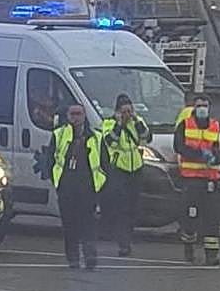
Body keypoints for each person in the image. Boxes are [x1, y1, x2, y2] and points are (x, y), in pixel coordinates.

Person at [45, 104, 106, 269]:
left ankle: (90, 256)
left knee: (89, 224)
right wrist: (57, 182)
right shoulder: (59, 135)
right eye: (72, 114)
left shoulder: (96, 137)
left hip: (88, 188)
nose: (76, 117)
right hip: (67, 187)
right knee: (69, 225)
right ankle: (73, 258)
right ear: (67, 116)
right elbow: (50, 160)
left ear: (84, 116)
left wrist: (101, 186)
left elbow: (105, 164)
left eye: (79, 114)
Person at [174, 94, 220, 266]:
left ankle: (211, 255)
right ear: (193, 108)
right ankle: (189, 248)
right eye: (199, 105)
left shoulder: (216, 126)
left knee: (212, 218)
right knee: (189, 217)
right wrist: (199, 155)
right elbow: (179, 146)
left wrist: (215, 157)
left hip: (211, 180)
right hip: (191, 180)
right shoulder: (185, 125)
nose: (202, 109)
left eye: (205, 105)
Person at [100, 93, 151, 257]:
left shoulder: (137, 122)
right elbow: (110, 141)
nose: (128, 114)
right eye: (124, 111)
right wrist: (120, 124)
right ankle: (123, 242)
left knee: (133, 207)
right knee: (121, 207)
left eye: (130, 111)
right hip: (119, 169)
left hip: (135, 168)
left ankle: (127, 236)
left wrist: (135, 121)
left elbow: (146, 137)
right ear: (118, 111)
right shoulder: (109, 123)